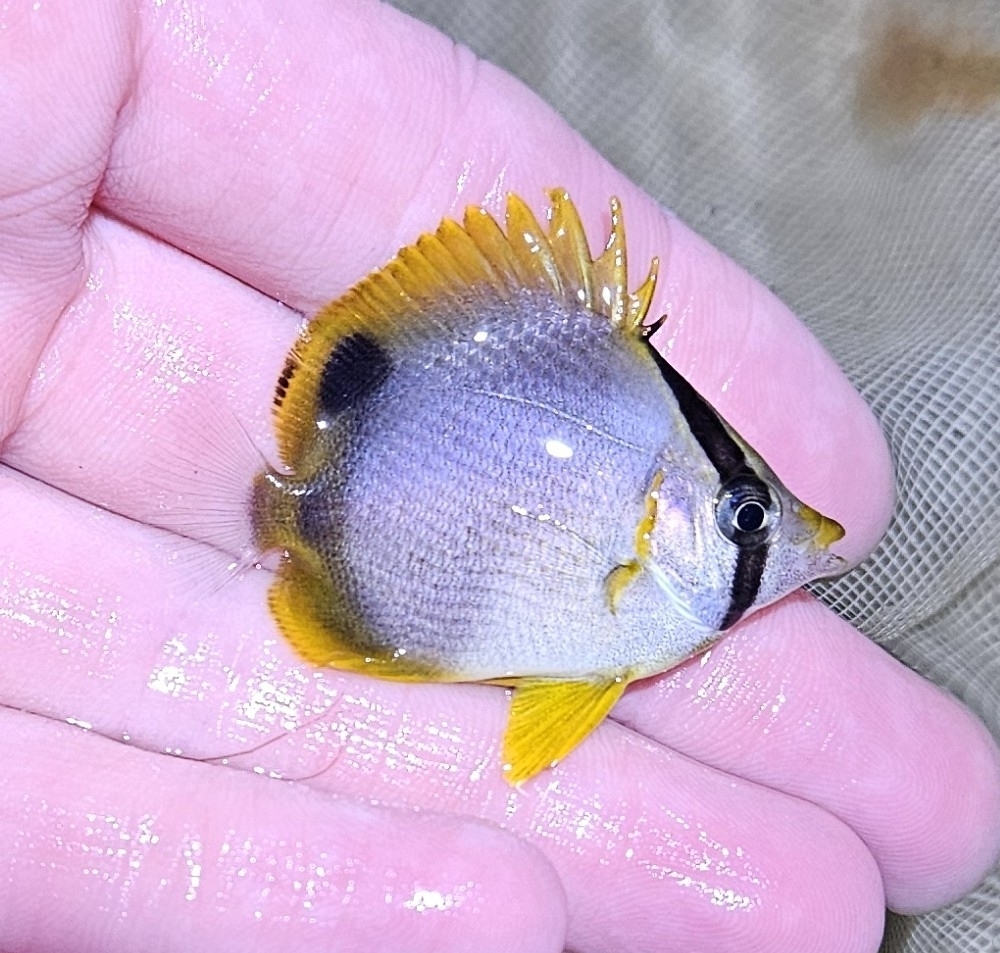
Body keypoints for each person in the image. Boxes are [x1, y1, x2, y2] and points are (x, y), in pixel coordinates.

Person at [0, 1, 997, 950]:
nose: (783, 536)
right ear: (660, 520)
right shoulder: (641, 571)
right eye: (747, 512)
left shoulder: (646, 543)